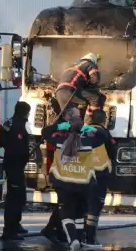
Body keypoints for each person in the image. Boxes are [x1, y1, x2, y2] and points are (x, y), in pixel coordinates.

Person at [43, 107, 108, 251]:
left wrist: (59, 125)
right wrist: (91, 129)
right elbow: (104, 135)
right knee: (79, 213)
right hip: (83, 183)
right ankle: (79, 238)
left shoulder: (59, 139)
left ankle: (73, 240)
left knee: (66, 213)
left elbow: (45, 132)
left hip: (63, 182)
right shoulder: (89, 141)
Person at [83, 109, 117, 248]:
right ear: (105, 120)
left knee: (83, 204)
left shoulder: (83, 130)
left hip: (83, 173)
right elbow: (113, 152)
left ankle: (79, 235)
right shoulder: (104, 133)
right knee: (95, 207)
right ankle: (90, 237)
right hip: (100, 174)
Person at [0, 101, 31, 240]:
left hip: (15, 165)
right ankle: (9, 231)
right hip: (14, 166)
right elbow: (17, 147)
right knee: (14, 199)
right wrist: (25, 156)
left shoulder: (11, 122)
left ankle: (16, 225)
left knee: (20, 197)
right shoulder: (17, 125)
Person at [55, 53, 106, 123]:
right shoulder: (89, 64)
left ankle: (66, 132)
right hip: (70, 91)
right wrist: (92, 87)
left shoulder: (71, 66)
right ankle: (92, 123)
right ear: (93, 61)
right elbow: (94, 80)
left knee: (71, 120)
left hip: (59, 93)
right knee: (95, 97)